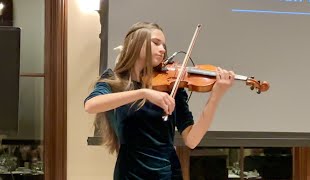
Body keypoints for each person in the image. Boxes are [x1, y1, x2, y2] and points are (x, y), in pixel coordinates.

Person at [84, 22, 235, 180]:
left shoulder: (171, 87)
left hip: (167, 173)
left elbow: (192, 140)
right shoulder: (114, 79)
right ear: (136, 43)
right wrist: (143, 92)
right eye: (156, 43)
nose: (162, 49)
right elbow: (91, 105)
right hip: (130, 173)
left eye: (164, 45)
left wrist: (216, 96)